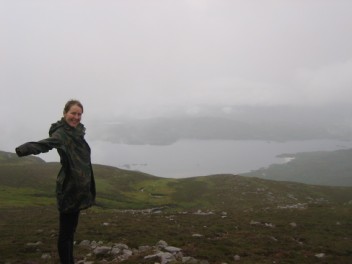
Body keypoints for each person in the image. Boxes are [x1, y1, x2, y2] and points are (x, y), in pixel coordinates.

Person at [15, 99, 96, 264]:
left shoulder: (77, 132)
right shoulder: (61, 134)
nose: (76, 117)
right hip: (69, 189)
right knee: (66, 234)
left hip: (79, 189)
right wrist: (24, 149)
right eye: (73, 113)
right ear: (65, 113)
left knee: (71, 231)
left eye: (79, 114)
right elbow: (45, 144)